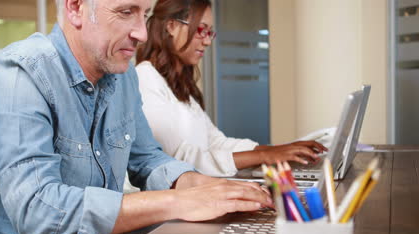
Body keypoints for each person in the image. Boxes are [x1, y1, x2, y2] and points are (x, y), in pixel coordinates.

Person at [0, 0, 272, 234]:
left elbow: (147, 159)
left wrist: (198, 184)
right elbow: (37, 212)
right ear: (76, 7)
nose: (142, 34)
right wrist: (179, 201)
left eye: (145, 15)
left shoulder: (123, 76)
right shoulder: (19, 73)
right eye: (126, 12)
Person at [136, 0, 327, 177]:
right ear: (172, 26)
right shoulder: (145, 78)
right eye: (201, 30)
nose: (208, 41)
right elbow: (177, 160)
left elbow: (216, 142)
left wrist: (276, 150)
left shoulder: (179, 85)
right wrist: (266, 156)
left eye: (210, 32)